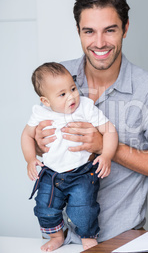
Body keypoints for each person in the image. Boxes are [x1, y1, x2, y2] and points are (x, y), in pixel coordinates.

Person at [33, 0, 148, 244]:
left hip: (120, 241)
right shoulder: (56, 78)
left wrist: (106, 146)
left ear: (125, 29)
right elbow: (40, 146)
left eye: (110, 30)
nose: (99, 42)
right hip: (58, 240)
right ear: (78, 31)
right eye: (89, 31)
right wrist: (37, 142)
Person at [21, 62, 118, 251]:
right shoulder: (40, 113)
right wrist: (30, 159)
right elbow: (26, 135)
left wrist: (106, 154)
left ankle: (88, 237)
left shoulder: (85, 108)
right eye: (62, 94)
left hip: (81, 173)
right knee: (44, 207)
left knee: (83, 208)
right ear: (46, 101)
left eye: (73, 88)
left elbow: (110, 131)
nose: (72, 96)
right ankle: (57, 236)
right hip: (51, 174)